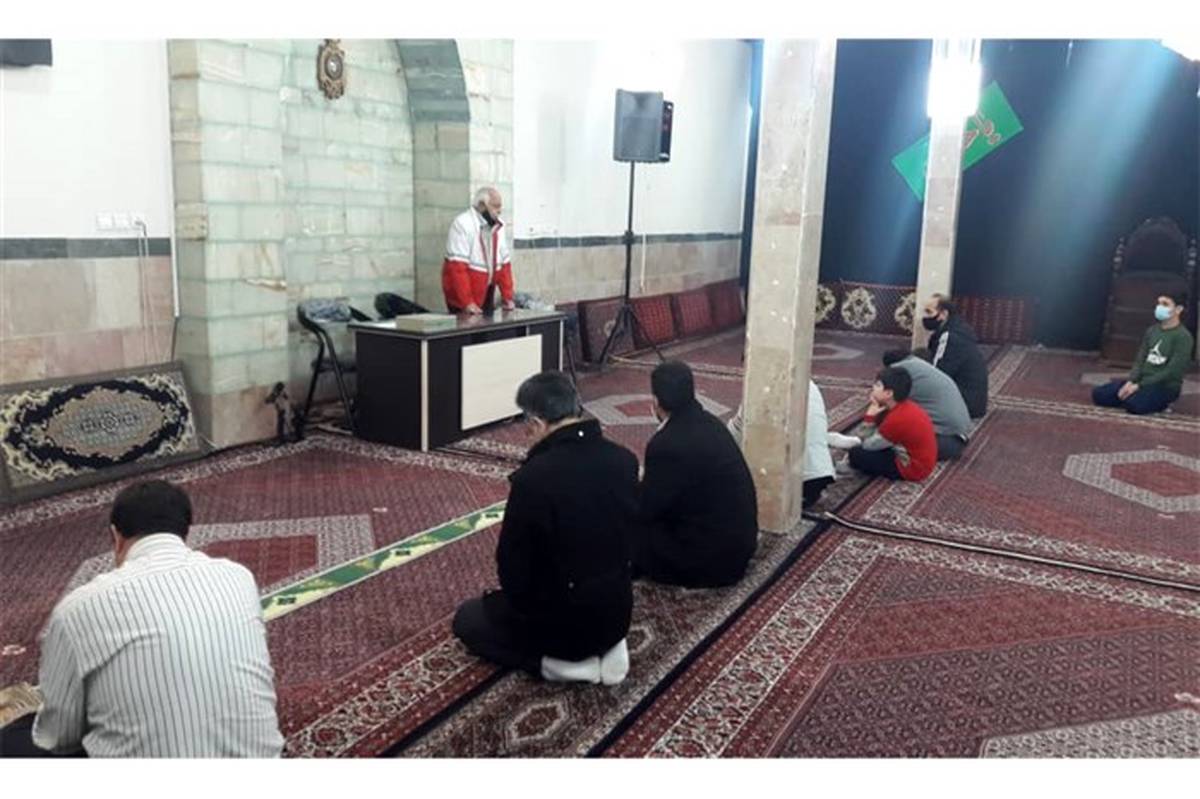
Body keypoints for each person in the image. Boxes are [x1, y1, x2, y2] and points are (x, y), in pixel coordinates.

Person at [9, 481, 283, 757]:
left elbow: (58, 737)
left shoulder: (78, 608)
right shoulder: (238, 577)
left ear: (116, 536)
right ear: (185, 531)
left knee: (17, 737)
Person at [452, 372, 636, 685]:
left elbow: (513, 569)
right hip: (618, 611)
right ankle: (611, 646)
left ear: (537, 424)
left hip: (562, 628)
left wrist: (512, 607)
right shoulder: (625, 459)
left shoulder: (533, 479)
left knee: (469, 620)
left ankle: (559, 667)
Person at [636, 361, 758, 587]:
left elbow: (646, 509)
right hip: (740, 548)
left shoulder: (665, 444)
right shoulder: (712, 424)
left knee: (625, 526)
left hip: (709, 562)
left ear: (656, 402)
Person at [726, 379, 834, 508]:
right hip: (821, 472)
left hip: (796, 482)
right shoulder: (808, 382)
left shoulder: (764, 385)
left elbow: (737, 431)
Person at [1092, 292, 1194, 415]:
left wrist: (1140, 386)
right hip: (1141, 382)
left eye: (1165, 304)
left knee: (1134, 405)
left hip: (1164, 386)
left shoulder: (1183, 337)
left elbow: (1172, 371)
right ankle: (1134, 396)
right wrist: (1131, 381)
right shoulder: (1152, 331)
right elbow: (1141, 359)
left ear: (1178, 309)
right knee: (1099, 395)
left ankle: (1158, 402)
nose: (1159, 307)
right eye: (1159, 303)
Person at [841, 367, 938, 482]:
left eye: (877, 385)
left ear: (888, 393)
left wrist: (869, 418)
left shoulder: (897, 418)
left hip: (912, 468)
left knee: (856, 454)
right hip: (920, 460)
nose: (873, 388)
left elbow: (867, 445)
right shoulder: (904, 406)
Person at [882, 348, 972, 460]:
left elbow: (884, 402)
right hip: (959, 438)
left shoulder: (899, 371)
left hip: (942, 440)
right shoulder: (921, 366)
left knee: (885, 442)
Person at [442, 186, 516, 314]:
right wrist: (467, 302)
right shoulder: (462, 224)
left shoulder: (498, 226)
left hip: (487, 290)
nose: (499, 211)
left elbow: (504, 264)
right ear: (482, 206)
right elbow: (457, 268)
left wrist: (507, 297)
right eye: (495, 206)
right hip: (462, 295)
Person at [921, 294, 989, 418]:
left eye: (929, 312)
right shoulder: (957, 328)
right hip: (972, 399)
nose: (924, 316)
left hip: (965, 404)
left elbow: (937, 374)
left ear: (943, 314)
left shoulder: (950, 336)